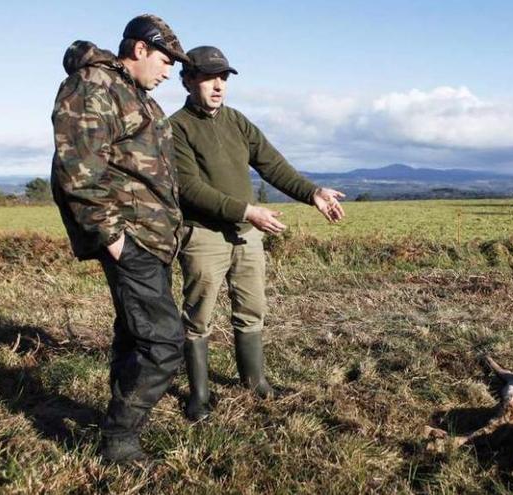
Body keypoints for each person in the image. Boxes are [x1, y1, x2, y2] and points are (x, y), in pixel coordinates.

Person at [170, 46, 345, 421]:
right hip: (203, 235)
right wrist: (247, 210)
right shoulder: (176, 128)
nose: (218, 86)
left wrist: (311, 192)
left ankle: (255, 383)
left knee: (252, 310)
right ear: (187, 81)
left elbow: (272, 164)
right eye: (208, 78)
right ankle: (199, 394)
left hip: (247, 235)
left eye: (224, 78)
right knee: (198, 316)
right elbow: (189, 189)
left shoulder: (237, 121)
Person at [50, 14, 190, 463]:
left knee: (135, 334)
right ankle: (119, 438)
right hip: (130, 237)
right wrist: (112, 237)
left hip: (151, 236)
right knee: (165, 341)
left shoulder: (136, 95)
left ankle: (118, 427)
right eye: (167, 60)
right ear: (141, 49)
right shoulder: (94, 85)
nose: (171, 71)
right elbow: (76, 169)